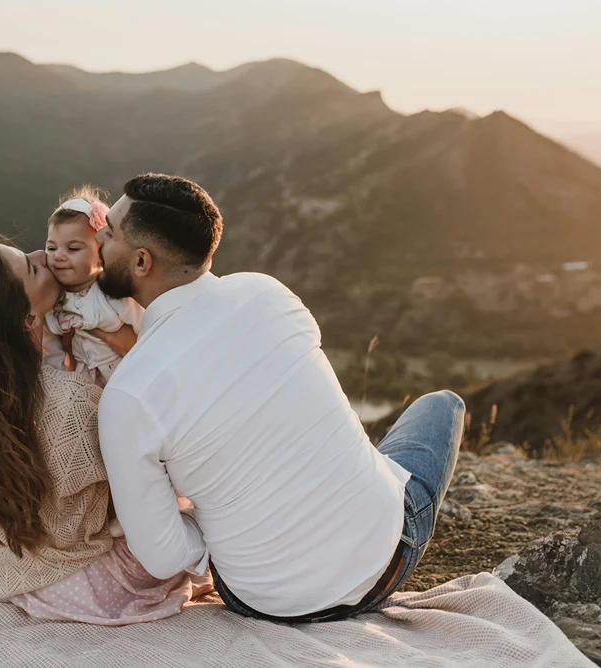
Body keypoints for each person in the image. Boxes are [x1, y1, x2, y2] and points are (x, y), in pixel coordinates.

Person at [95, 173, 466, 622]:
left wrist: (227, 534)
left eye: (109, 230)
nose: (98, 233)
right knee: (442, 403)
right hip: (388, 561)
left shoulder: (128, 394)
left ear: (141, 263)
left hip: (266, 602)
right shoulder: (267, 292)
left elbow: (162, 556)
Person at [0, 233, 210, 626]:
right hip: (87, 585)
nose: (42, 257)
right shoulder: (73, 403)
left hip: (6, 576)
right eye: (31, 268)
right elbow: (141, 499)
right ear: (28, 319)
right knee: (213, 516)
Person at [43, 186, 144, 386]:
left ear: (101, 255)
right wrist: (64, 382)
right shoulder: (52, 298)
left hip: (126, 373)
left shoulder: (113, 292)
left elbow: (147, 326)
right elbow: (50, 349)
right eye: (51, 248)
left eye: (73, 248)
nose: (58, 256)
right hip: (83, 379)